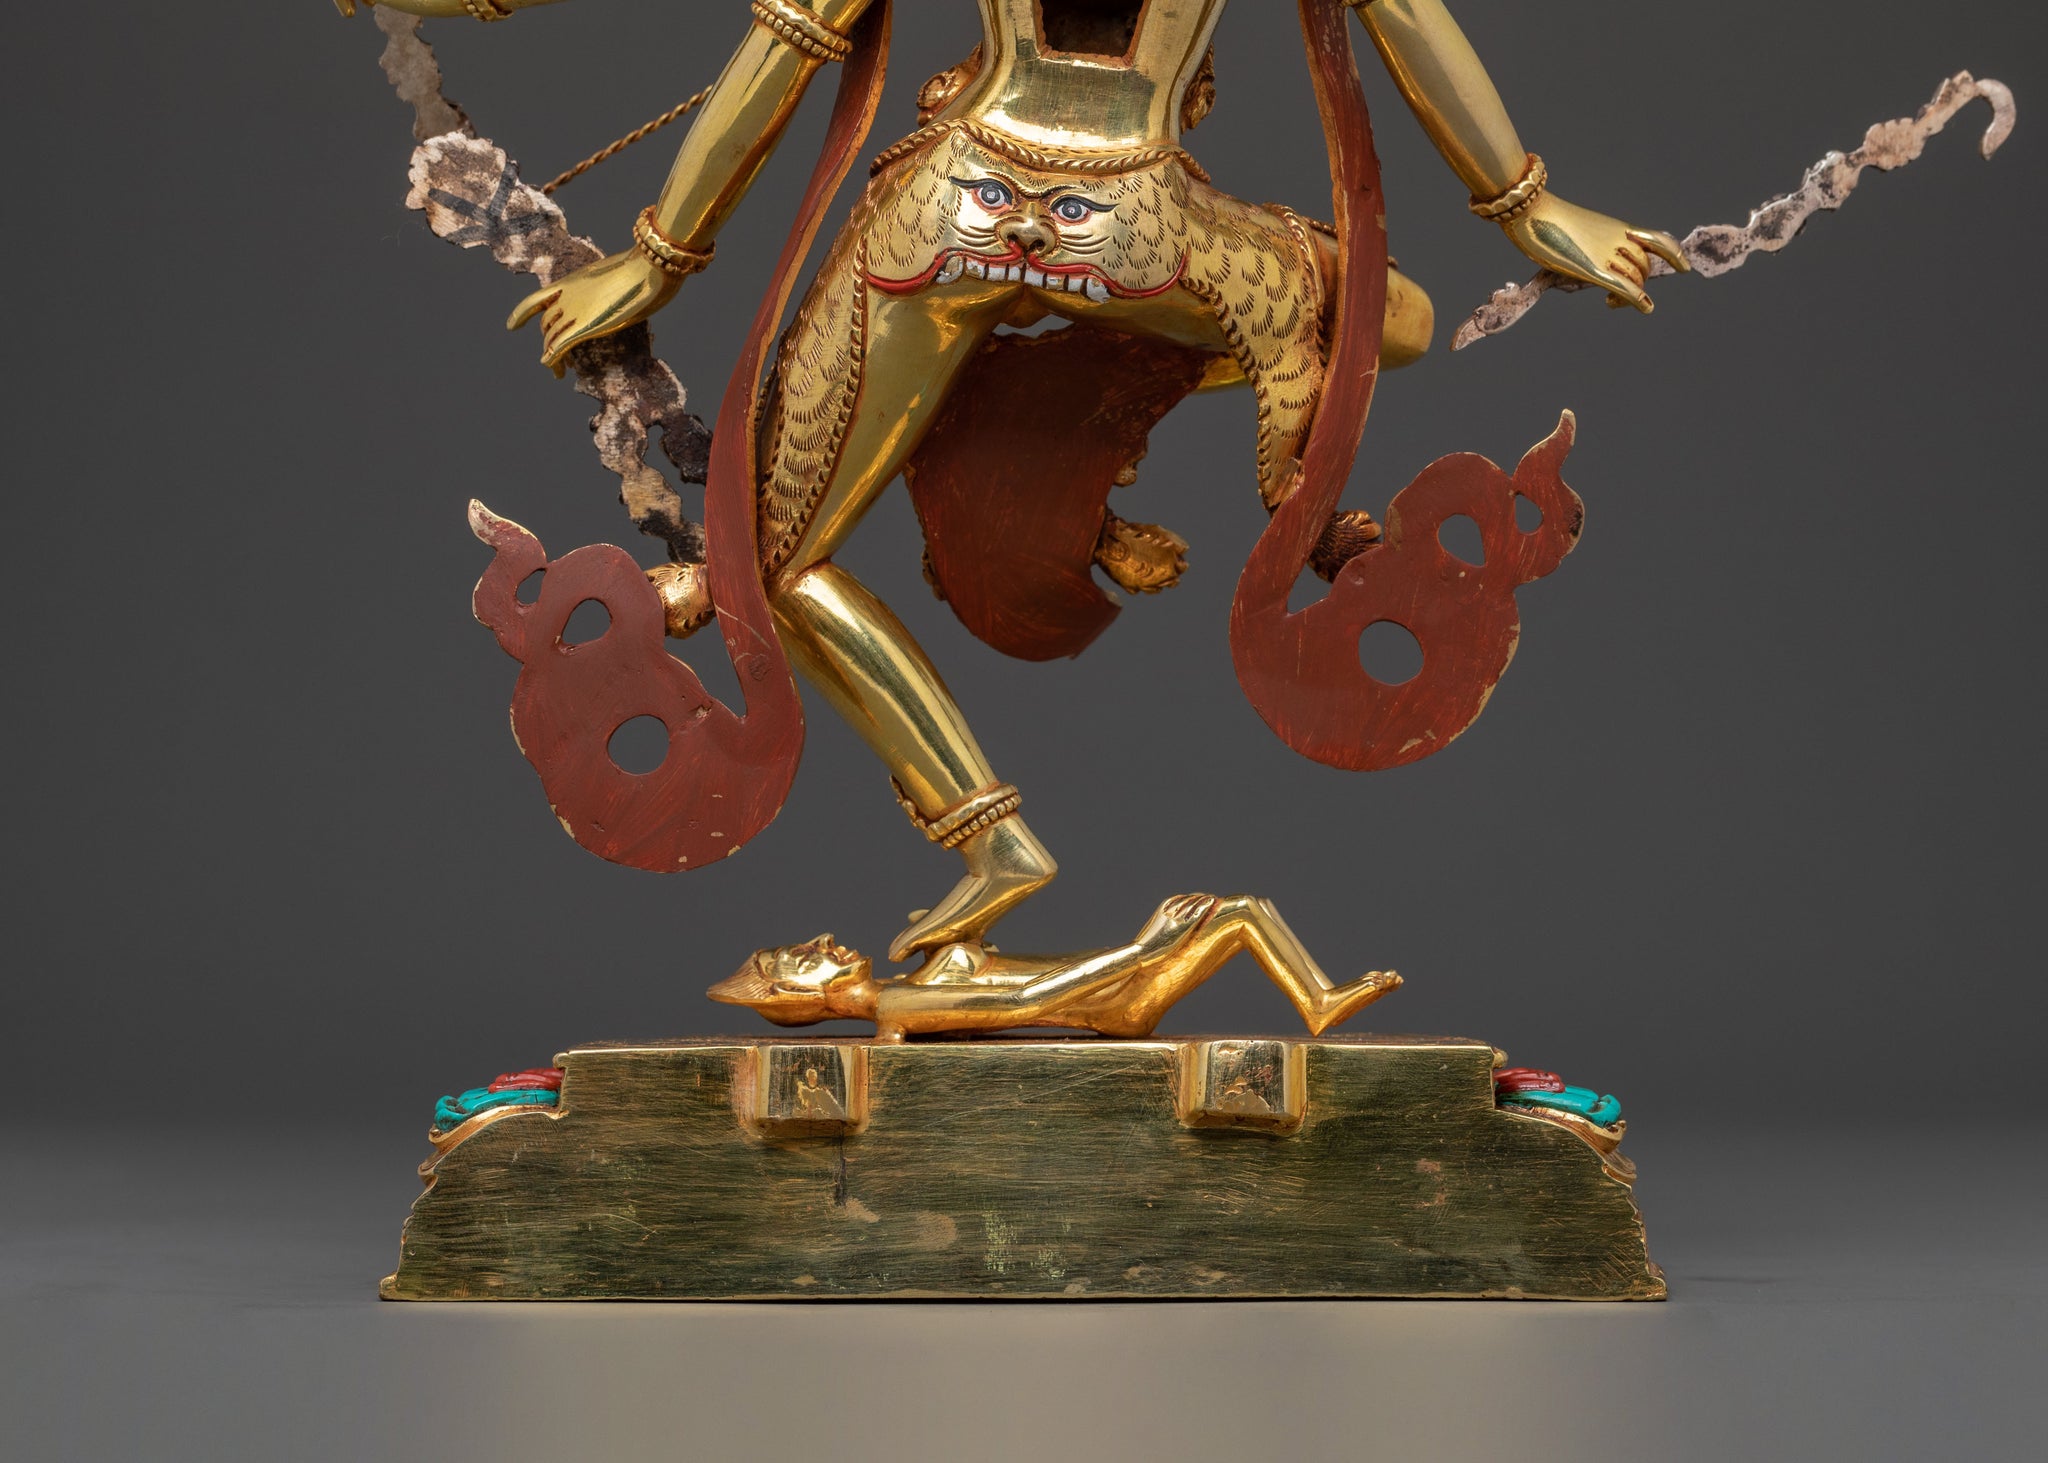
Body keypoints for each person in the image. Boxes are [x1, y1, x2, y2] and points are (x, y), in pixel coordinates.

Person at [350, 1, 1683, 963]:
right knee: (1392, 318)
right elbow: (1398, 16)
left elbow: (791, 37)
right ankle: (1107, 431)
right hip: (1143, 234)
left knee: (772, 565)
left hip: (950, 217)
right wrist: (1526, 209)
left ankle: (988, 835)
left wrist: (656, 258)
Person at [708, 893, 1401, 1040]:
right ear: (796, 995)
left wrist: (951, 929)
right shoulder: (897, 1009)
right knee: (1240, 911)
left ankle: (1318, 1001)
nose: (821, 939)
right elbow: (1024, 1003)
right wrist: (1148, 950)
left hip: (1112, 977)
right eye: (802, 957)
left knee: (1244, 908)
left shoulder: (905, 981)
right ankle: (1318, 1004)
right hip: (1117, 1000)